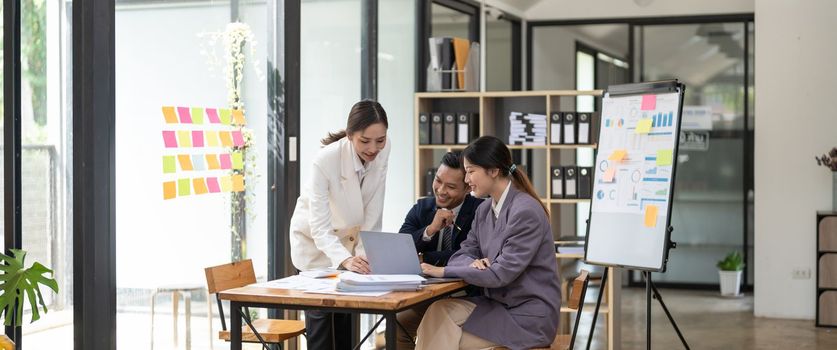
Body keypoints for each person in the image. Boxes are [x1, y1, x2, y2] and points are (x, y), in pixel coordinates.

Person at [416, 136, 561, 350]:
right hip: (498, 306)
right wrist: (470, 263)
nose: (466, 179)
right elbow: (464, 252)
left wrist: (442, 272)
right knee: (438, 311)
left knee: (439, 337)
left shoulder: (526, 212)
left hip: (527, 318)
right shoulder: (484, 210)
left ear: (493, 171)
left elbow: (500, 274)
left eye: (471, 171)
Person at [289, 99, 391, 350]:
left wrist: (362, 257)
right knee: (322, 323)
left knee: (346, 319)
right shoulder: (326, 160)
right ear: (349, 136)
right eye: (365, 141)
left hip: (350, 243)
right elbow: (320, 228)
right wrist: (345, 259)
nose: (374, 148)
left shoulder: (383, 150)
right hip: (316, 246)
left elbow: (373, 214)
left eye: (380, 140)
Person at [396, 152, 483, 349]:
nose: (441, 190)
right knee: (398, 323)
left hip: (467, 295)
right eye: (438, 181)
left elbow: (467, 254)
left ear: (468, 187)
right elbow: (401, 247)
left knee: (438, 325)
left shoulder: (480, 210)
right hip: (427, 293)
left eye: (451, 187)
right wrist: (430, 230)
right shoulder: (422, 208)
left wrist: (424, 257)